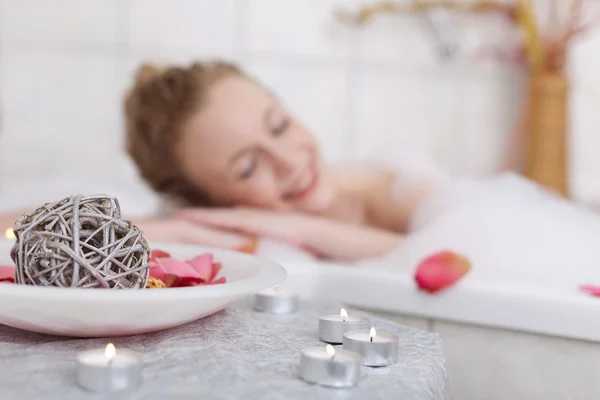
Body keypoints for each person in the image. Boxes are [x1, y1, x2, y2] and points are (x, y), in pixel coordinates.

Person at [124, 61, 450, 261]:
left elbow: (457, 261)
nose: (287, 161)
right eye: (248, 167)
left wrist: (308, 230)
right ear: (209, 203)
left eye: (279, 126)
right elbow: (83, 232)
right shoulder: (250, 242)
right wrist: (186, 233)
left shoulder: (397, 191)